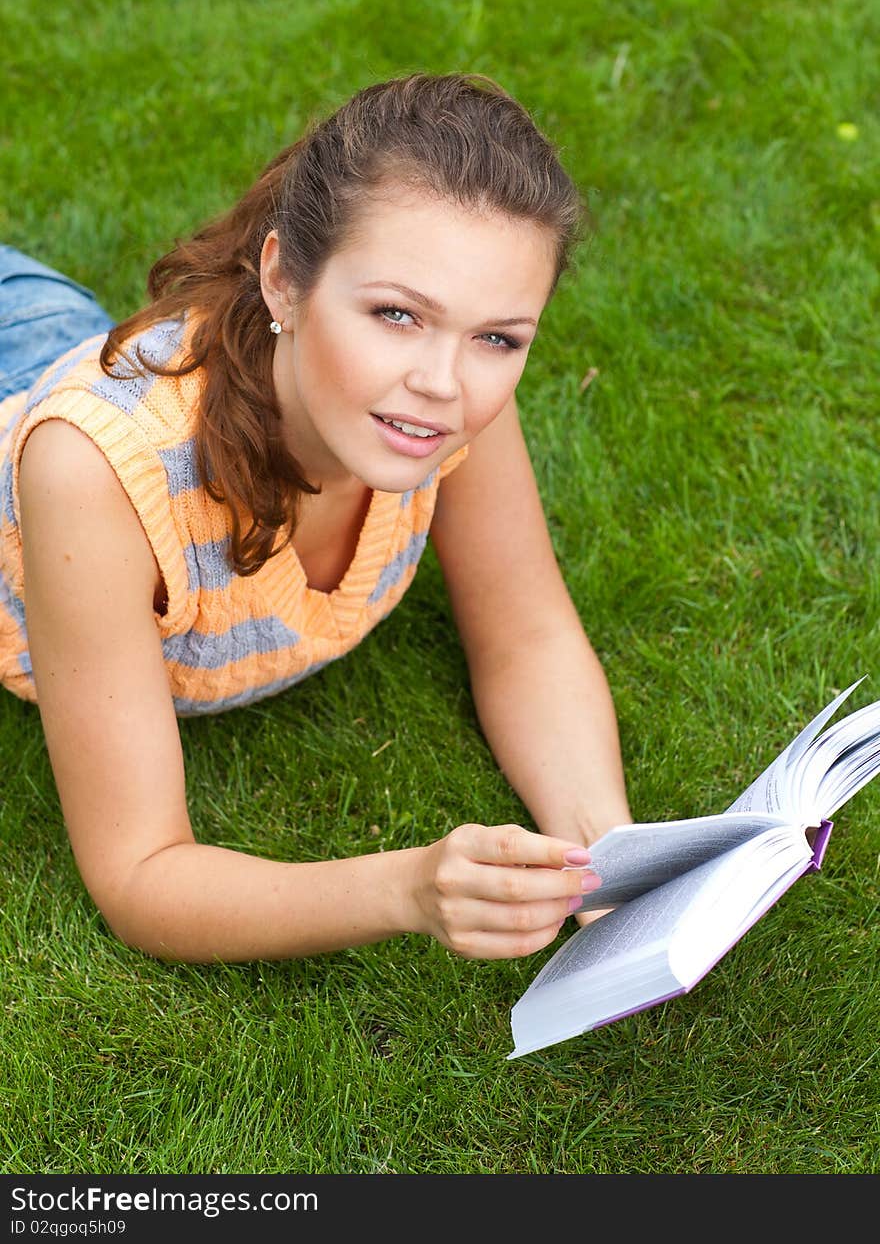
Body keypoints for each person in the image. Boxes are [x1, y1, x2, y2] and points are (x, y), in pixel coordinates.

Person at [0, 71, 631, 966]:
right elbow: (140, 872)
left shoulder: (443, 404)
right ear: (283, 282)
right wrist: (407, 889)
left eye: (498, 336)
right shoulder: (96, 473)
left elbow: (526, 638)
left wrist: (606, 865)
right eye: (396, 314)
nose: (445, 381)